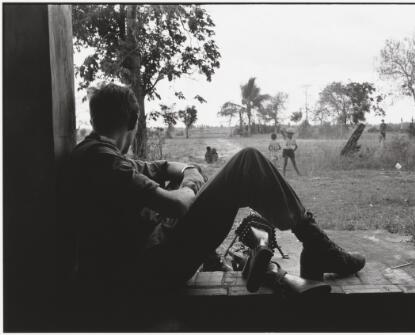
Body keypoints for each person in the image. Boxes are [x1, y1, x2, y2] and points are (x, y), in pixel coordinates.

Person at [64, 83, 365, 302]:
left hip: (149, 257)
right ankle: (317, 246)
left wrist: (188, 176)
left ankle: (314, 247)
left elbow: (169, 164)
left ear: (94, 120)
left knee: (245, 163)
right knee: (248, 162)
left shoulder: (102, 154)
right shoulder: (106, 162)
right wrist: (191, 182)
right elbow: (178, 205)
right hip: (149, 270)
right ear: (133, 121)